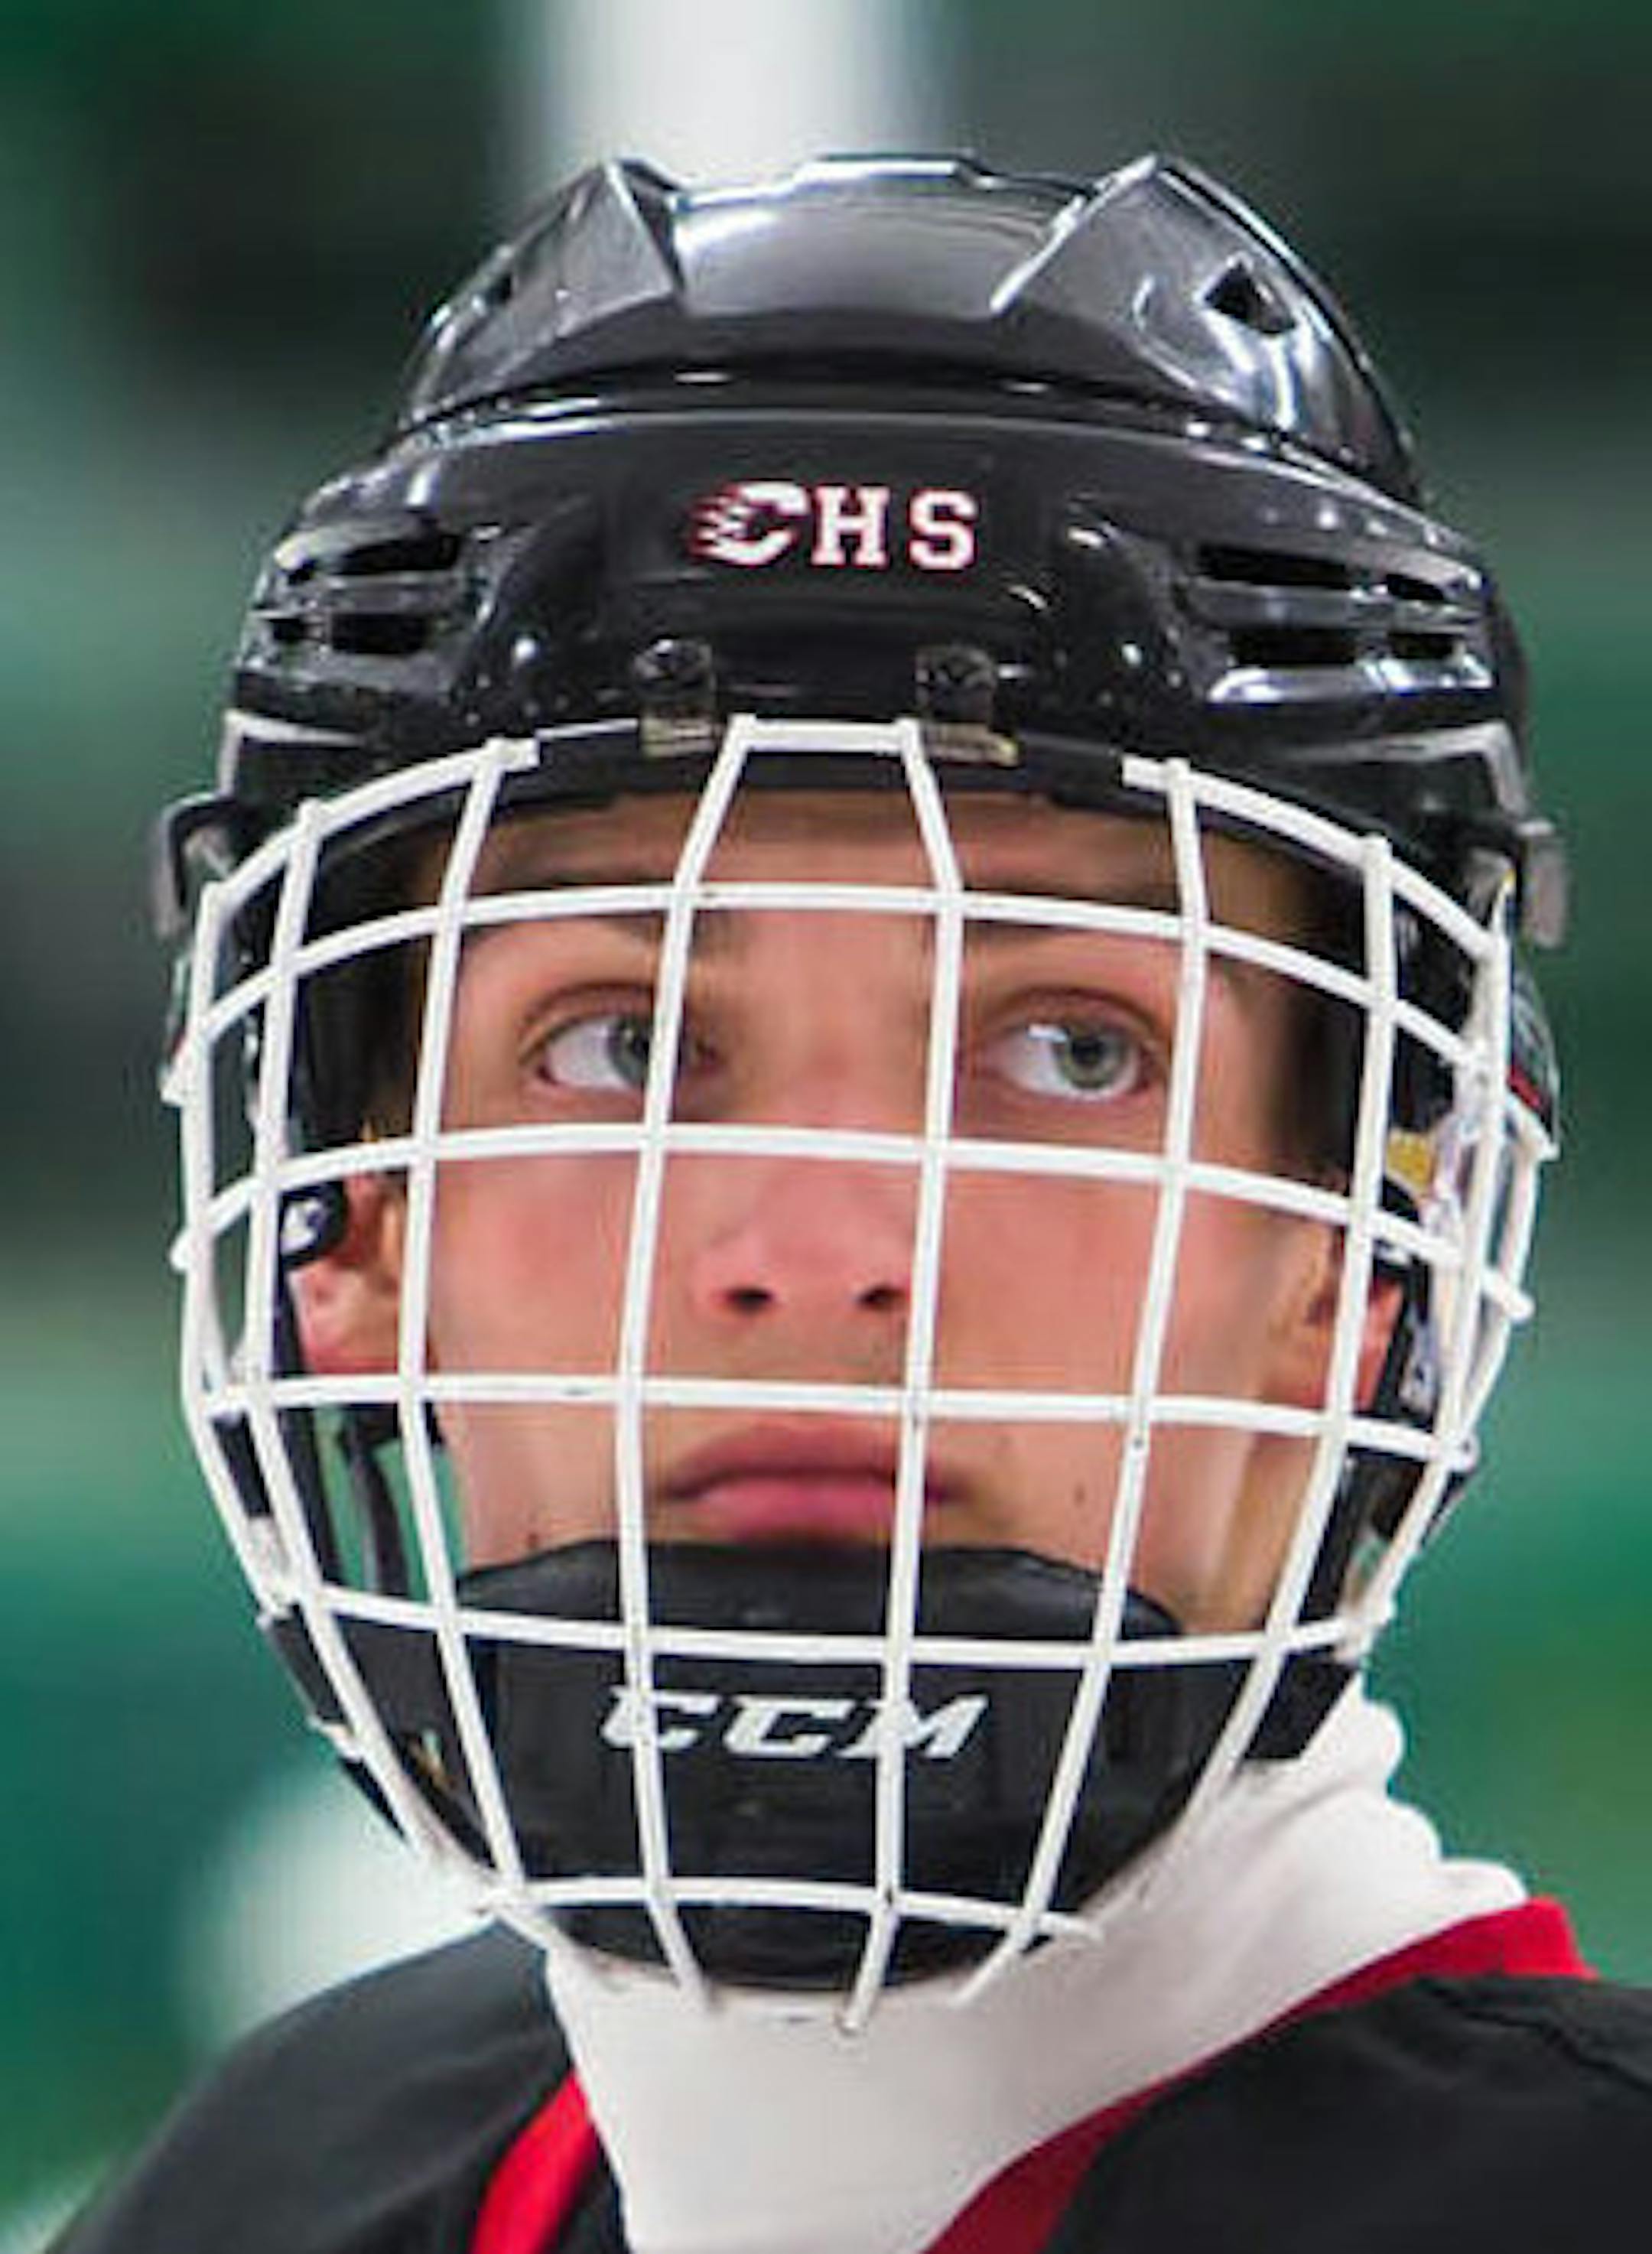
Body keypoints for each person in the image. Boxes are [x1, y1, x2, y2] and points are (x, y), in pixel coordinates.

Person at [56, 151, 1648, 2254]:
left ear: (1358, 1271)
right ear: (352, 1238)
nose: (817, 1254)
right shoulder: (267, 2191)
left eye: (1072, 1048)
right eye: (621, 1041)